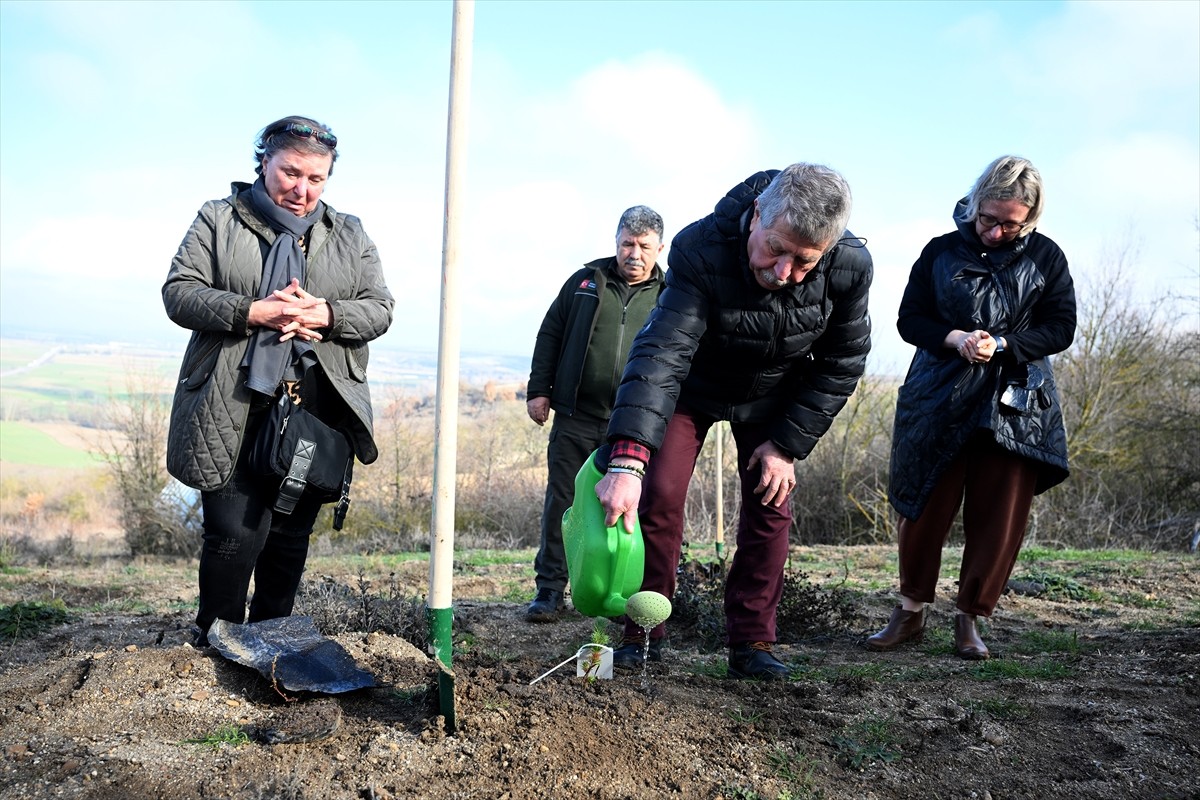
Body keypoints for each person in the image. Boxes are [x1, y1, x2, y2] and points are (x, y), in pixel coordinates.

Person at [596, 164, 873, 679]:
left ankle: (752, 643)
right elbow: (663, 350)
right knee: (656, 495)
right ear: (754, 217)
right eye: (776, 248)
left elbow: (844, 360)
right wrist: (629, 460)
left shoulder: (850, 265)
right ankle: (642, 635)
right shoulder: (700, 247)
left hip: (774, 395)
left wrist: (786, 445)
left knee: (772, 503)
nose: (783, 272)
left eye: (804, 262)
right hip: (691, 387)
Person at [163, 116, 395, 646]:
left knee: (290, 535)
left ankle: (270, 640)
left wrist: (327, 316)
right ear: (263, 161)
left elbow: (380, 310)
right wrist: (254, 311)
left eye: (316, 179)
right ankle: (216, 638)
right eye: (290, 173)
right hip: (232, 399)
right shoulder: (219, 219)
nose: (302, 189)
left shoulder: (349, 233)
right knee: (232, 535)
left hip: (316, 406)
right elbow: (179, 293)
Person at [867, 155, 1075, 660]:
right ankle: (910, 610)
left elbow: (1059, 327)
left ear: (1030, 217)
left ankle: (970, 620)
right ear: (974, 203)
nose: (997, 232)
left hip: (1016, 403)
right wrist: (956, 337)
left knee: (999, 514)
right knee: (924, 503)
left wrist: (1002, 344)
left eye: (1010, 223)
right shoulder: (940, 251)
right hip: (938, 394)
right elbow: (909, 319)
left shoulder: (1047, 258)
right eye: (988, 218)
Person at [524, 206, 666, 622]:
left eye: (643, 246)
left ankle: (623, 595)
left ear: (660, 247)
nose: (634, 254)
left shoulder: (672, 292)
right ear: (615, 242)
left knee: (633, 509)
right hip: (577, 416)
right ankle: (550, 589)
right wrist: (539, 390)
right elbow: (551, 332)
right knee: (564, 504)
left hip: (638, 425)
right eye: (627, 243)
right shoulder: (586, 282)